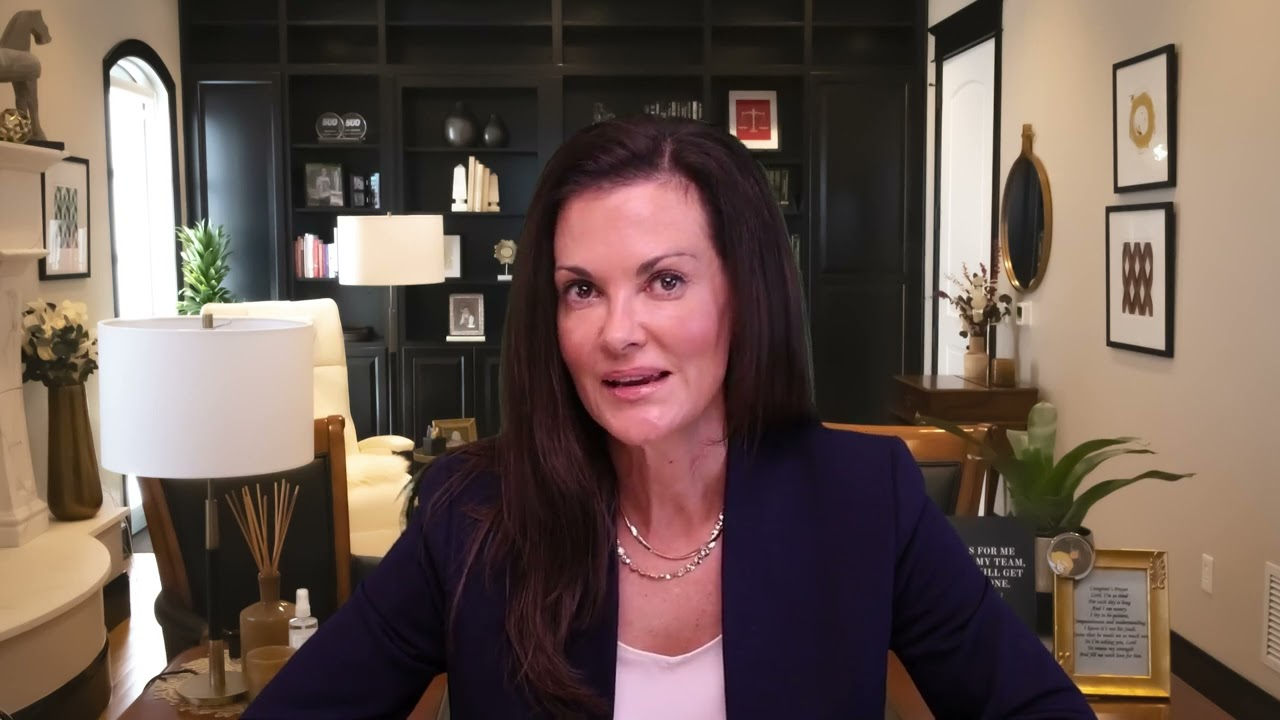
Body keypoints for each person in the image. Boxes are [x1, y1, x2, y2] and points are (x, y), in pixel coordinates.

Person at [244, 116, 1093, 718]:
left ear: (742, 293)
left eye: (665, 281)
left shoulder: (867, 499)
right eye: (582, 290)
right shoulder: (470, 514)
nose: (618, 332)